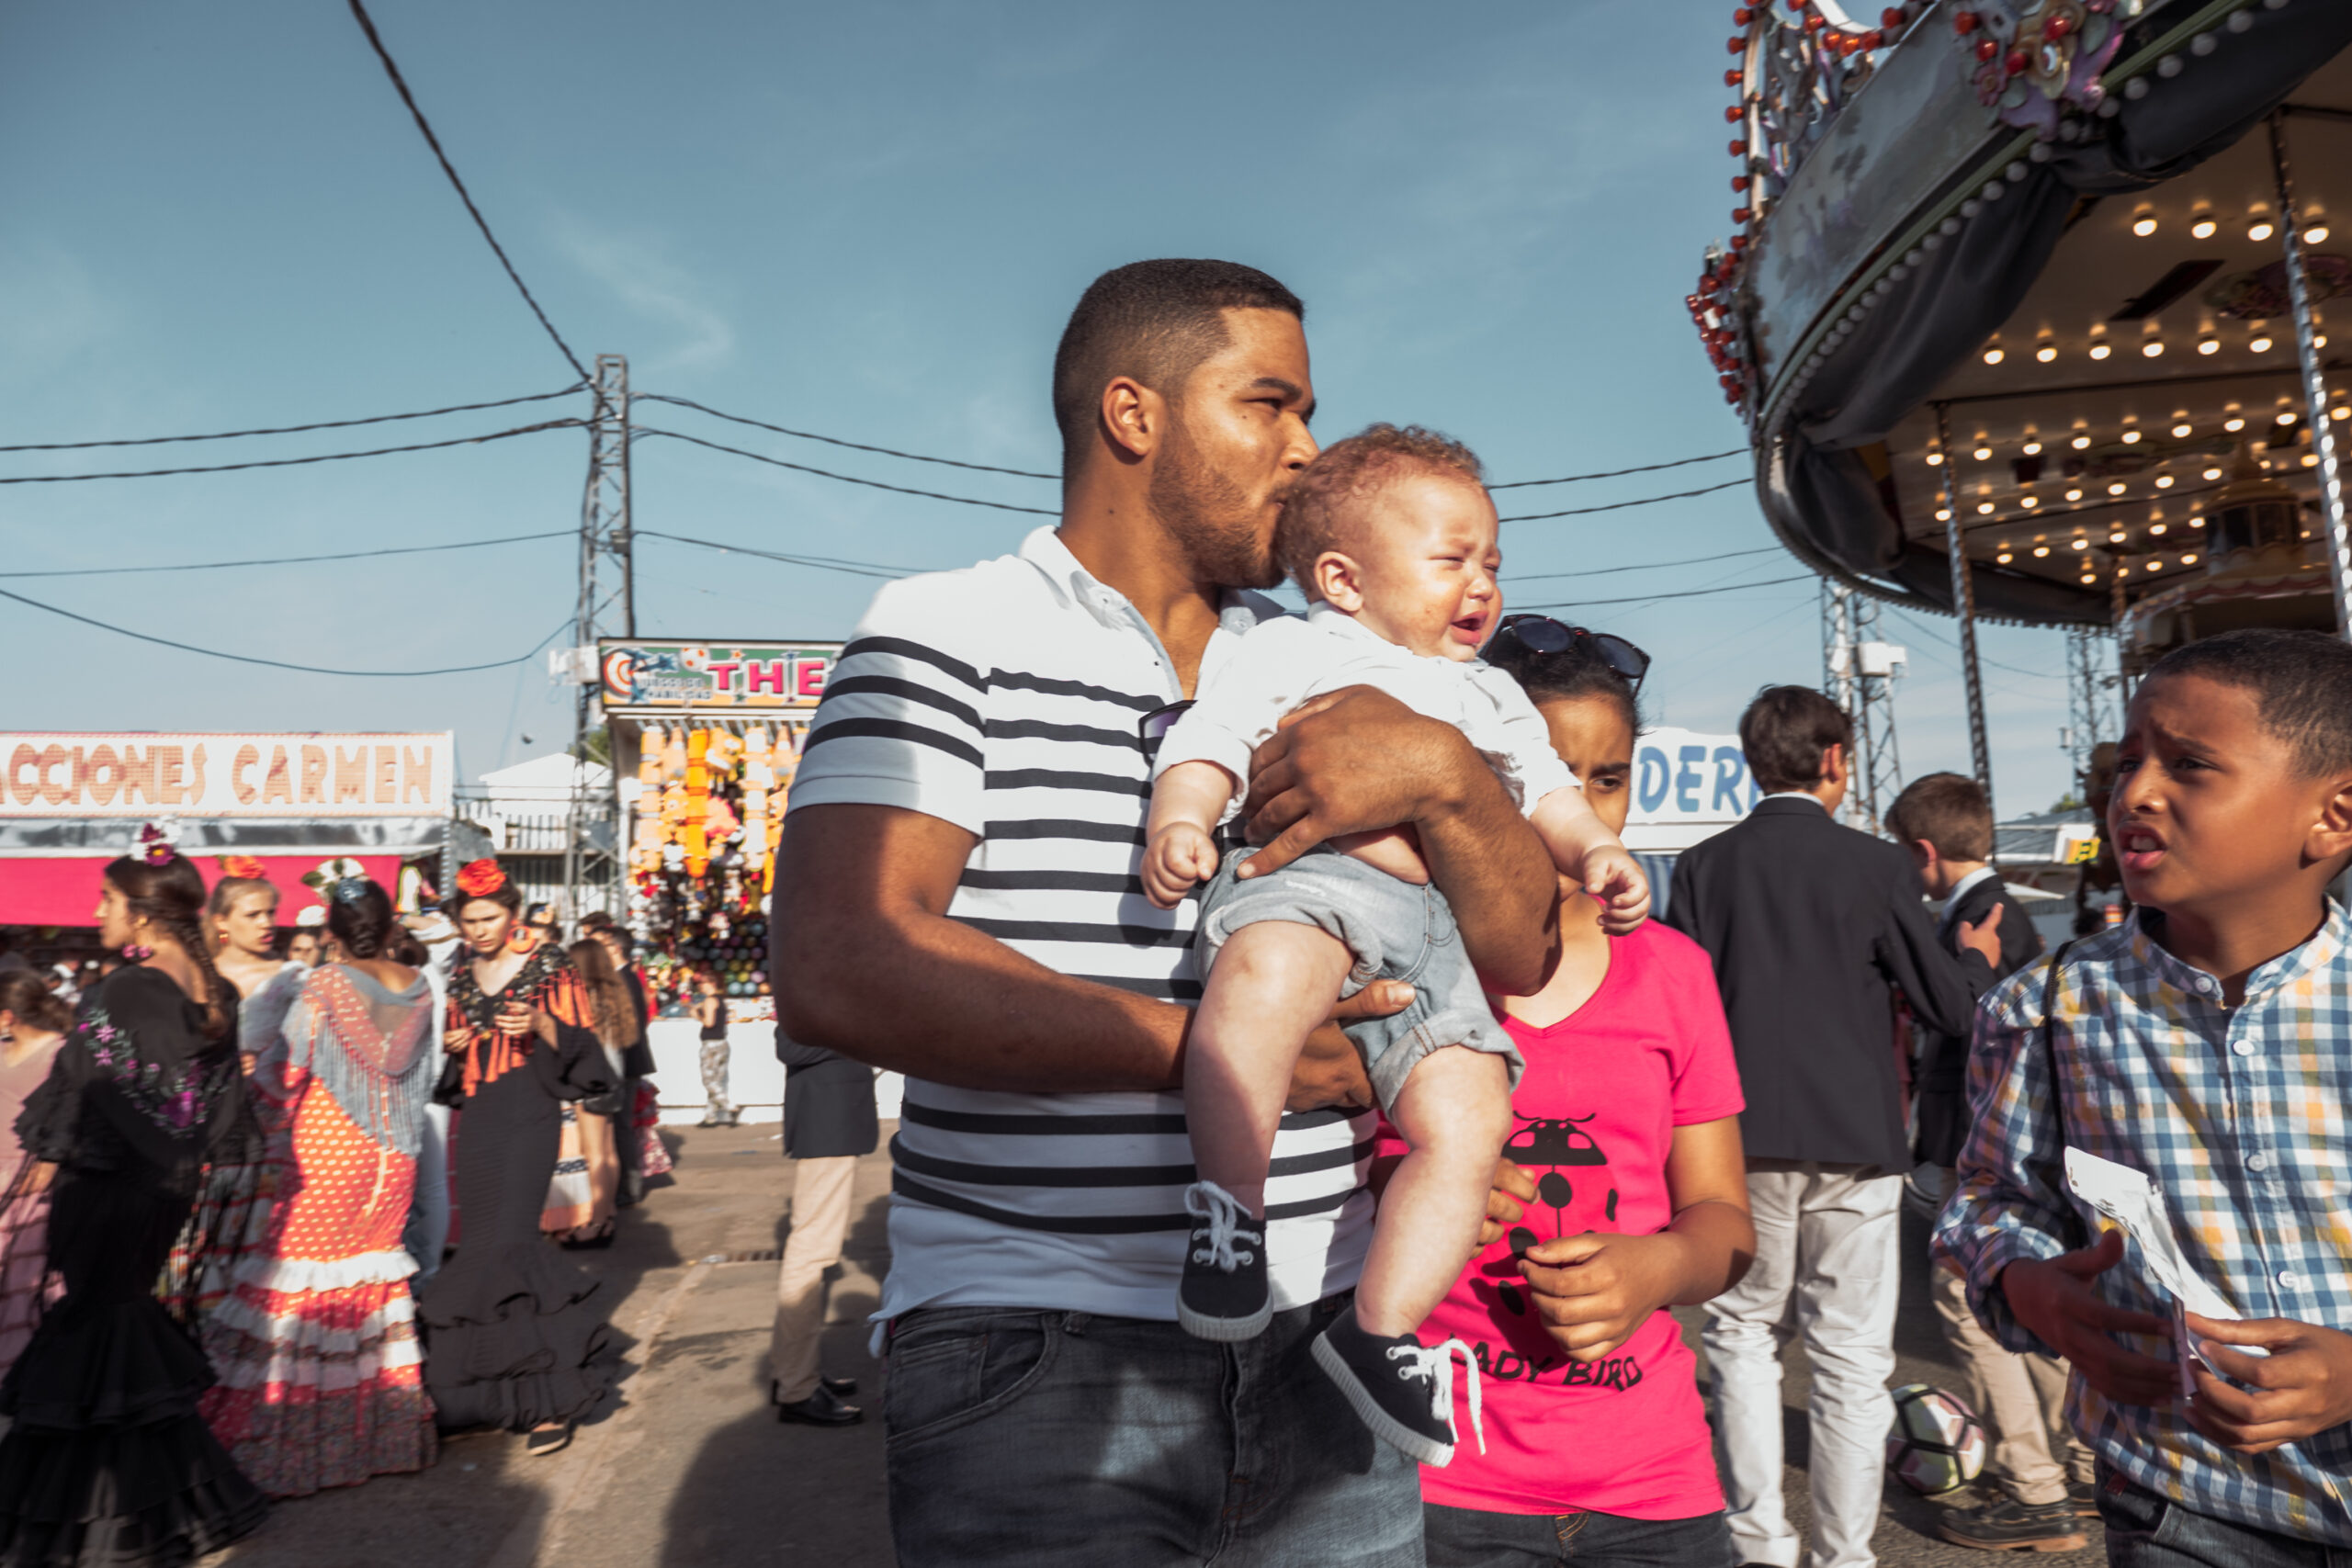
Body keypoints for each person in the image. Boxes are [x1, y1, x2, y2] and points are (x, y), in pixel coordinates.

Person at [773, 258, 1560, 1566]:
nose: (1308, 451)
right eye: (1269, 404)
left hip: (1334, 1333)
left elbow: (1521, 953)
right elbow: (843, 962)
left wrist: (1447, 778)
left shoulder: (1352, 656)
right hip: (1038, 1337)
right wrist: (1224, 1057)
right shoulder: (946, 629)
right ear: (1133, 414)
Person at [1141, 425, 1646, 1463]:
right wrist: (1181, 819)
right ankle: (1231, 1215)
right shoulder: (1291, 647)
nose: (1481, 585)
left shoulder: (1495, 694)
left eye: (1492, 563)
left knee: (1471, 1120)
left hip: (1438, 938)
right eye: (1451, 560)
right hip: (1309, 887)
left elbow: (1547, 795)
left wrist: (1594, 850)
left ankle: (1381, 1332)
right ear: (1343, 578)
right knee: (1260, 991)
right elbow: (1211, 738)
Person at [1936, 628, 2352, 1566]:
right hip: (2181, 1501)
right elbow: (1985, 1200)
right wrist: (2029, 1285)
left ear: (2331, 817)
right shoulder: (2045, 1008)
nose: (2135, 792)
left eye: (2190, 765)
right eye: (2128, 763)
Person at [1400, 621, 1752, 1567]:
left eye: (1609, 778)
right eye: (1546, 779)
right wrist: (1426, 1206)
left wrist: (1657, 1270)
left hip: (1655, 1491)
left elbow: (1724, 1224)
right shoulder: (1394, 970)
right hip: (1437, 1489)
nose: (1584, 814)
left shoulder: (1675, 973)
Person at [1665, 685, 2003, 1568]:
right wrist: (1975, 958)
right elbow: (1948, 1007)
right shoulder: (1877, 867)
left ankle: (1760, 1541)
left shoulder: (1701, 866)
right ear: (1835, 762)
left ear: (1752, 763)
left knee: (1741, 1338)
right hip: (1856, 1139)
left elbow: (1677, 1007)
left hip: (1733, 1139)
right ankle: (1845, 1554)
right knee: (1851, 1358)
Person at [0, 842, 268, 1563]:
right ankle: (158, 1506)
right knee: (114, 1335)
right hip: (163, 1195)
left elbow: (86, 1093)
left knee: (87, 1338)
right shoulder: (217, 990)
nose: (95, 913)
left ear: (141, 910)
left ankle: (89, 1524)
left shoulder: (122, 990)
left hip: (109, 1190)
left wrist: (43, 1174)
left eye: (105, 901)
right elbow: (201, 1117)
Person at [1883, 773, 2086, 1552]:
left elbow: (1974, 1035)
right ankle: (2083, 1465)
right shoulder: (2002, 912)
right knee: (2032, 1304)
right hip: (2022, 1147)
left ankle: (2032, 1484)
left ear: (1923, 852)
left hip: (1980, 1147)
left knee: (1970, 1305)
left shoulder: (1975, 921)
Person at [198, 876, 438, 1497]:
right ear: (390, 928)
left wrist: (245, 1102)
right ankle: (374, 1439)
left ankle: (289, 1451)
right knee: (366, 1289)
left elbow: (288, 1065)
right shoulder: (420, 987)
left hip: (327, 1149)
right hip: (392, 1157)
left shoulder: (327, 984)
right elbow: (422, 1073)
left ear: (331, 932)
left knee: (296, 1291)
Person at [413, 860, 618, 1456]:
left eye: (489, 917)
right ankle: (490, 1394)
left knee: (512, 1244)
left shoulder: (548, 965)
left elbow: (588, 1052)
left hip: (530, 1116)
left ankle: (547, 1400)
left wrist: (541, 1022)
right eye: (469, 919)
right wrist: (452, 1049)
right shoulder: (458, 973)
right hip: (477, 1121)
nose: (479, 928)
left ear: (512, 912)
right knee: (480, 1250)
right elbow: (452, 1077)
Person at [766, 1029, 876, 1427]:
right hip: (826, 1121)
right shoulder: (813, 969)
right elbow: (790, 1045)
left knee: (813, 1252)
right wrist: (861, 1034)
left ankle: (793, 1374)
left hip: (833, 1119)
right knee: (811, 1252)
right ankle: (797, 1386)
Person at [0, 975, 70, 1379]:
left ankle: (20, 1369)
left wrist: (51, 1164)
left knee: (22, 1275)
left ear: (8, 1016)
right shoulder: (6, 1048)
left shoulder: (60, 1051)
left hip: (31, 1177)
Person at [544, 938, 633, 1248]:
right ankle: (606, 1215)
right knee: (608, 1153)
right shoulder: (613, 993)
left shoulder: (584, 999)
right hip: (613, 1080)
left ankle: (596, 1221)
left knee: (595, 1155)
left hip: (590, 1082)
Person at [578, 914, 658, 1208]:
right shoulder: (626, 977)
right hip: (626, 1062)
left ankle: (628, 1185)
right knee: (621, 1126)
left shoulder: (622, 979)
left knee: (620, 1127)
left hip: (623, 1063)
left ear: (613, 948)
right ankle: (627, 1183)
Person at [691, 969, 738, 1128]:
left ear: (711, 983)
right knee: (716, 1080)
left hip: (711, 1044)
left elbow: (709, 1022)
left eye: (702, 983)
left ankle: (728, 1106)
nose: (700, 986)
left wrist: (696, 1014)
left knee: (709, 1080)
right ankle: (710, 1117)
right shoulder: (720, 1000)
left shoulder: (710, 1000)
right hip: (721, 1043)